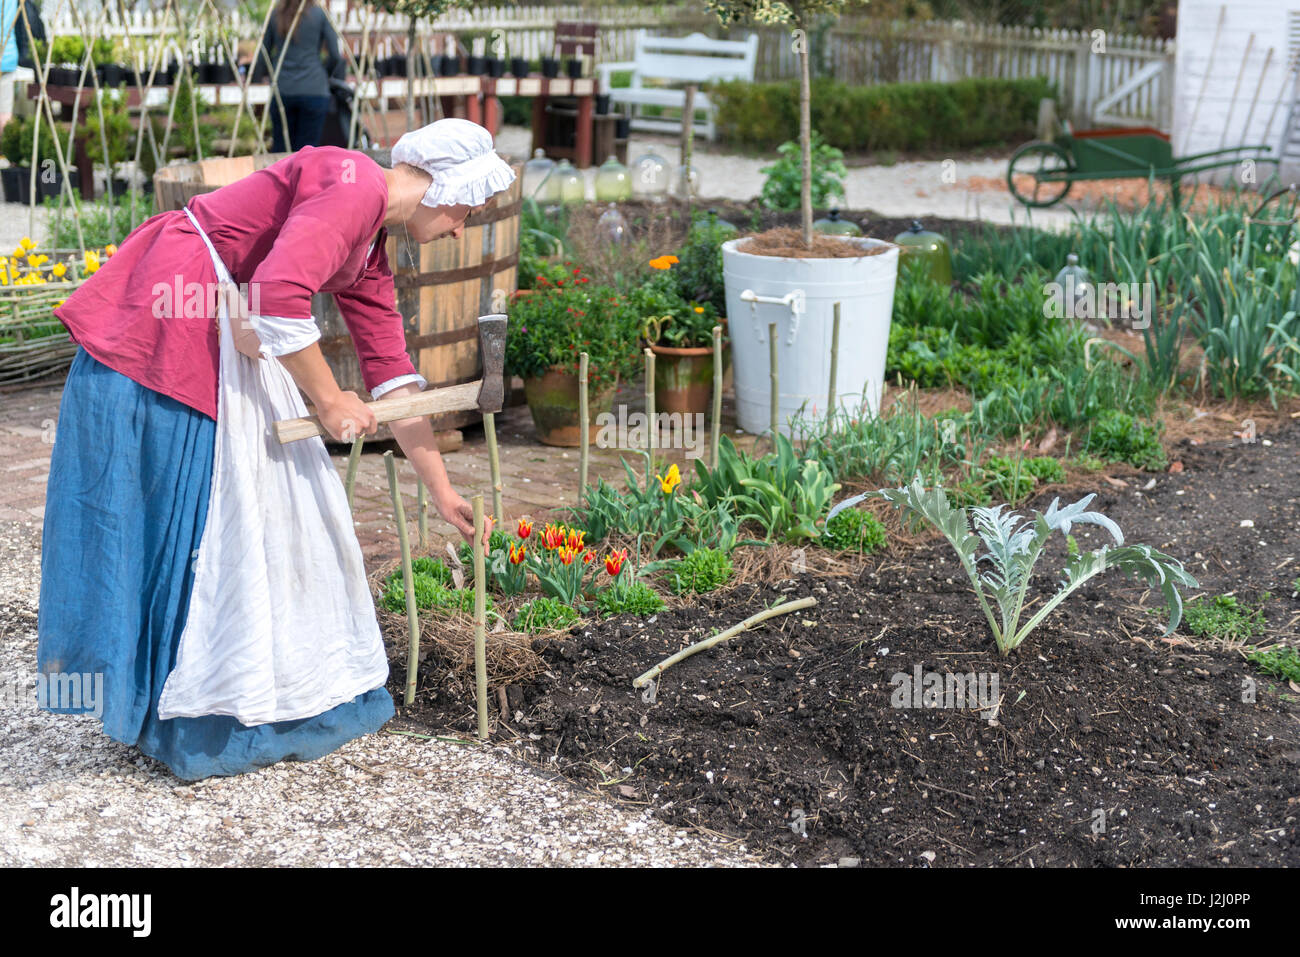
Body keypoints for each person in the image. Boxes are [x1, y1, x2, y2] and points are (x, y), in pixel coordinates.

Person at [38, 118, 515, 780]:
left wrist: (442, 489)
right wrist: (326, 400)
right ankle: (163, 702)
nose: (463, 226)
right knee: (194, 499)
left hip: (224, 317)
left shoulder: (369, 247)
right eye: (468, 207)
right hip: (174, 305)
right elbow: (278, 295)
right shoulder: (353, 187)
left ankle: (201, 695)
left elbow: (393, 377)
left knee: (247, 504)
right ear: (441, 186)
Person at [254, 0, 343, 152]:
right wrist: (324, 74)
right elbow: (335, 55)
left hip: (282, 89)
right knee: (308, 151)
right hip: (314, 89)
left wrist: (262, 77)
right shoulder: (319, 14)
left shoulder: (276, 14)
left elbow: (263, 55)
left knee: (281, 150)